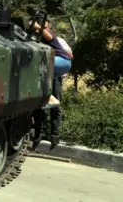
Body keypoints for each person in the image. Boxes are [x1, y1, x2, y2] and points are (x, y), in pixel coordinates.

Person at [34, 19, 72, 150]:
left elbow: (69, 55)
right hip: (46, 73)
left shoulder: (58, 40)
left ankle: (54, 135)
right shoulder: (37, 39)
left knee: (55, 106)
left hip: (55, 74)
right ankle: (38, 134)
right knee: (41, 104)